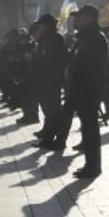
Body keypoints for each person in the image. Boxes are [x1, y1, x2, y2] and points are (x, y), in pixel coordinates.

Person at [63, 6, 108, 179]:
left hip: (89, 87)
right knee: (87, 126)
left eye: (78, 17)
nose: (75, 21)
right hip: (82, 86)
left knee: (90, 127)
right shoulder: (86, 38)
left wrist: (72, 70)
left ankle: (93, 166)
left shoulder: (95, 39)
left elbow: (86, 64)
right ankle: (90, 164)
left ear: (88, 18)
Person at [31, 15, 69, 150]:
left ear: (46, 25)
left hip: (50, 80)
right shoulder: (46, 38)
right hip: (45, 79)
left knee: (52, 109)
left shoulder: (54, 38)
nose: (39, 28)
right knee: (48, 109)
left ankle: (50, 137)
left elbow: (52, 60)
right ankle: (48, 133)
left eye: (40, 25)